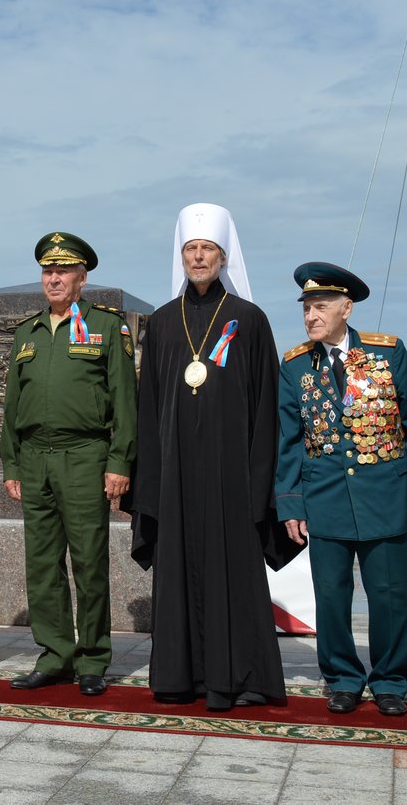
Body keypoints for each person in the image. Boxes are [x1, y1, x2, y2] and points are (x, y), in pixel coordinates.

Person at [129, 203, 290, 710]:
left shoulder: (249, 319)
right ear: (182, 258)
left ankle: (239, 677)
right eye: (191, 250)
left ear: (224, 257)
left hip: (232, 476)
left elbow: (267, 406)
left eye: (208, 250)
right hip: (176, 474)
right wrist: (148, 483)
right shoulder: (160, 323)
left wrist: (262, 479)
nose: (199, 257)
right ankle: (181, 676)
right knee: (178, 572)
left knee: (233, 572)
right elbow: (149, 405)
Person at [275, 262, 407, 717]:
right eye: (306, 308)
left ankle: (390, 680)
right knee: (330, 596)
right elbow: (287, 440)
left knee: (389, 594)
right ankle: (343, 678)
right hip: (323, 498)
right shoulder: (293, 365)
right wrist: (290, 502)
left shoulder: (388, 354)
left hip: (384, 495)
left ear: (346, 308)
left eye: (321, 306)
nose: (311, 316)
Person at [1, 232, 137, 697]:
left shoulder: (105, 328)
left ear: (82, 278)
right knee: (41, 565)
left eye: (63, 271)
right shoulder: (28, 332)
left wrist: (119, 461)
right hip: (35, 459)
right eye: (47, 271)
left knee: (88, 563)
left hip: (85, 457)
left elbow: (125, 401)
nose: (54, 278)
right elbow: (12, 406)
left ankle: (93, 658)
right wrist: (12, 466)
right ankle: (55, 654)